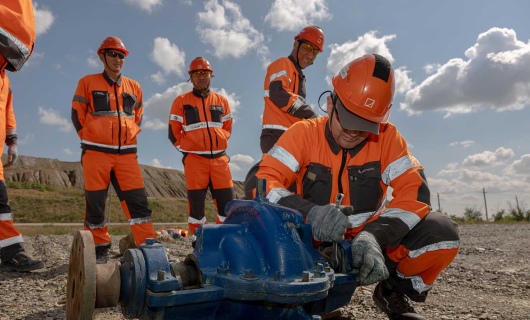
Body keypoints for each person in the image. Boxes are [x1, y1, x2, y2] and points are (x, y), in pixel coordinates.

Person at [245, 54, 460, 319]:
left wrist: (373, 236)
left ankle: (393, 291)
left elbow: (415, 191)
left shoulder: (388, 138)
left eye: (364, 126)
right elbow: (262, 184)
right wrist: (311, 214)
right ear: (330, 102)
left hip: (369, 247)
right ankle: (308, 304)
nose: (353, 132)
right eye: (347, 120)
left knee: (441, 232)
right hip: (310, 248)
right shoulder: (302, 133)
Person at [71, 36, 156, 264]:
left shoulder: (134, 87)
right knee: (95, 203)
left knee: (138, 202)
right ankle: (99, 249)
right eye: (113, 54)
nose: (118, 59)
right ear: (102, 56)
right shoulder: (87, 82)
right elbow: (77, 115)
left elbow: (136, 117)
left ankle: (147, 246)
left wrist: (126, 137)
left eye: (121, 56)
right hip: (96, 153)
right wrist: (92, 137)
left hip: (126, 155)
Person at [168, 57, 235, 243]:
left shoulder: (222, 101)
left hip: (220, 161)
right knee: (196, 209)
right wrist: (189, 150)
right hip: (195, 161)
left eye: (204, 73)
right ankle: (199, 244)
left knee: (227, 206)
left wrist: (220, 142)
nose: (201, 77)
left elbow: (227, 128)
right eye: (196, 73)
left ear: (211, 75)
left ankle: (223, 241)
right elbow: (173, 133)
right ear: (191, 77)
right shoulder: (180, 102)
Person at [0, 0, 45, 272]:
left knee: (0, 204)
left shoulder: (4, 80)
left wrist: (12, 141)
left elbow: (8, 110)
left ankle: (11, 251)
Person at [260, 25, 324, 154]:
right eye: (307, 47)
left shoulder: (299, 75)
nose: (310, 55)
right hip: (277, 136)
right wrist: (311, 114)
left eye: (315, 52)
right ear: (296, 44)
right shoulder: (283, 63)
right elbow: (278, 92)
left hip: (290, 136)